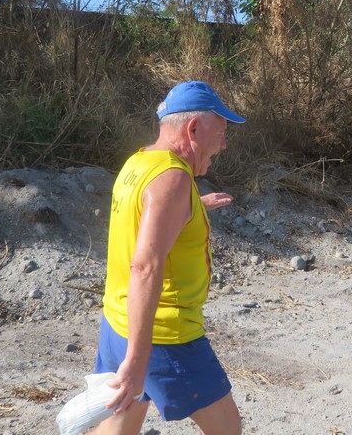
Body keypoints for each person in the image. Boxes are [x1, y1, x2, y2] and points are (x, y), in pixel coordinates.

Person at [93, 81, 244, 435]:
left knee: (117, 429)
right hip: (164, 335)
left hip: (118, 324)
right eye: (221, 132)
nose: (223, 144)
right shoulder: (173, 179)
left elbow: (145, 216)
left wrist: (195, 207)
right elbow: (145, 267)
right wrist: (137, 360)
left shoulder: (140, 162)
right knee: (228, 430)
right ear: (193, 129)